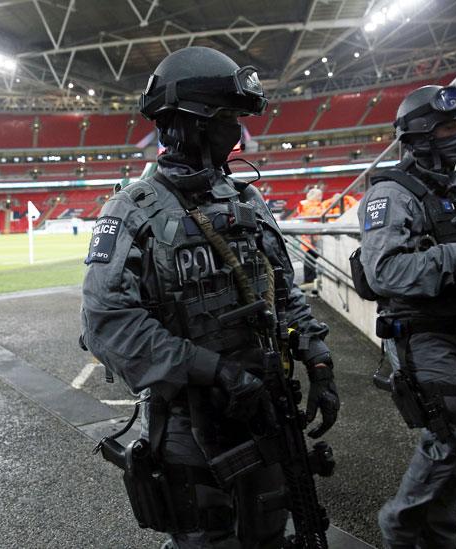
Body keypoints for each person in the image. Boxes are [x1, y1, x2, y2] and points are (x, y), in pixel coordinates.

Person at [81, 46, 339, 548]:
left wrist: (319, 359)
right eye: (228, 118)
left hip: (264, 409)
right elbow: (108, 324)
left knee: (272, 534)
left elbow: (282, 289)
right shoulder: (132, 211)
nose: (237, 131)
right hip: (190, 427)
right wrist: (213, 370)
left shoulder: (246, 200)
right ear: (187, 125)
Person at [357, 85, 456, 548]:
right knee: (455, 439)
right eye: (446, 127)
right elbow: (385, 271)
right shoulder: (391, 195)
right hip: (420, 333)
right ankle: (399, 525)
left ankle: (439, 538)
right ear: (419, 135)